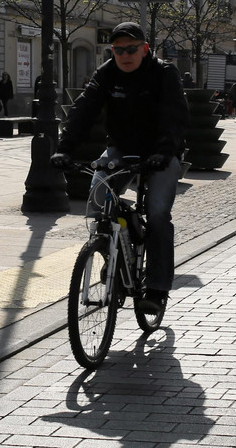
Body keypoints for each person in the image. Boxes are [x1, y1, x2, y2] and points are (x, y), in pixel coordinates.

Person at [50, 22, 188, 316]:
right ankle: (113, 253)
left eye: (131, 49)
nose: (124, 55)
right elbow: (83, 110)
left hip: (160, 154)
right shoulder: (107, 74)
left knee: (159, 213)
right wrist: (64, 148)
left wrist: (164, 152)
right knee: (98, 199)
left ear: (145, 49)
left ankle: (157, 289)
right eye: (118, 50)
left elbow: (175, 116)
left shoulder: (164, 74)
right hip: (122, 150)